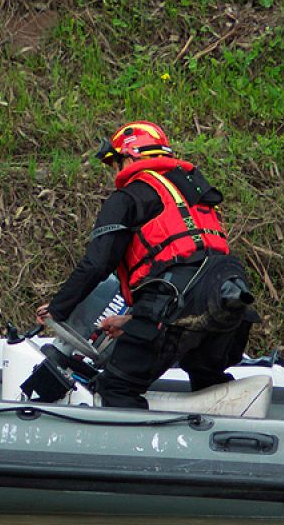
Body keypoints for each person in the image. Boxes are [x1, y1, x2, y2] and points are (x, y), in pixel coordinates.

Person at [37, 121, 256, 408]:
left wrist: (57, 309)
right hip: (231, 299)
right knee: (206, 376)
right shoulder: (192, 192)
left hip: (179, 298)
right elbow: (195, 272)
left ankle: (135, 453)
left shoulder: (129, 196)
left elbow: (97, 263)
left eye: (115, 163)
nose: (114, 172)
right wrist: (132, 321)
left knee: (117, 387)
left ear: (129, 156)